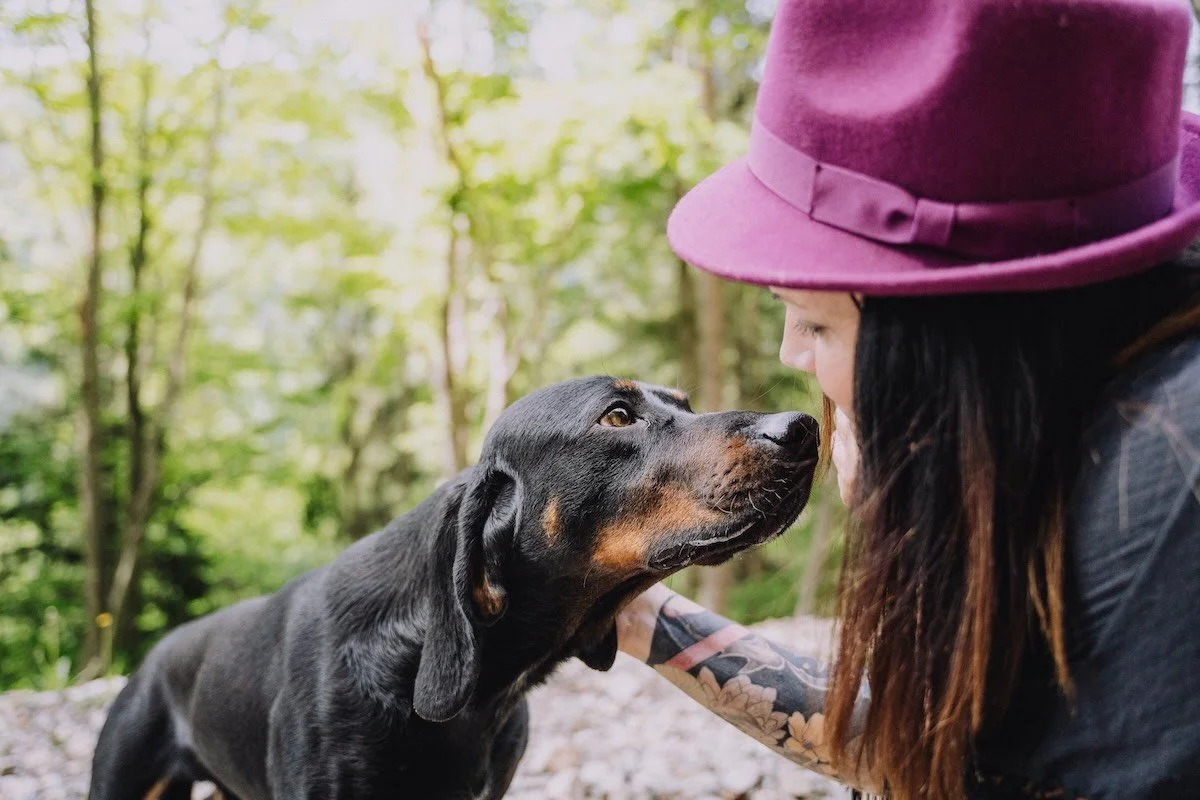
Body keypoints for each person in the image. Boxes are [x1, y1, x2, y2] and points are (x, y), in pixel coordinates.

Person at [613, 1, 1200, 798]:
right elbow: (927, 732)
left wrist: (902, 519)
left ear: (961, 342)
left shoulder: (1165, 497)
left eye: (817, 322)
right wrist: (636, 612)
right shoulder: (1073, 420)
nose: (793, 354)